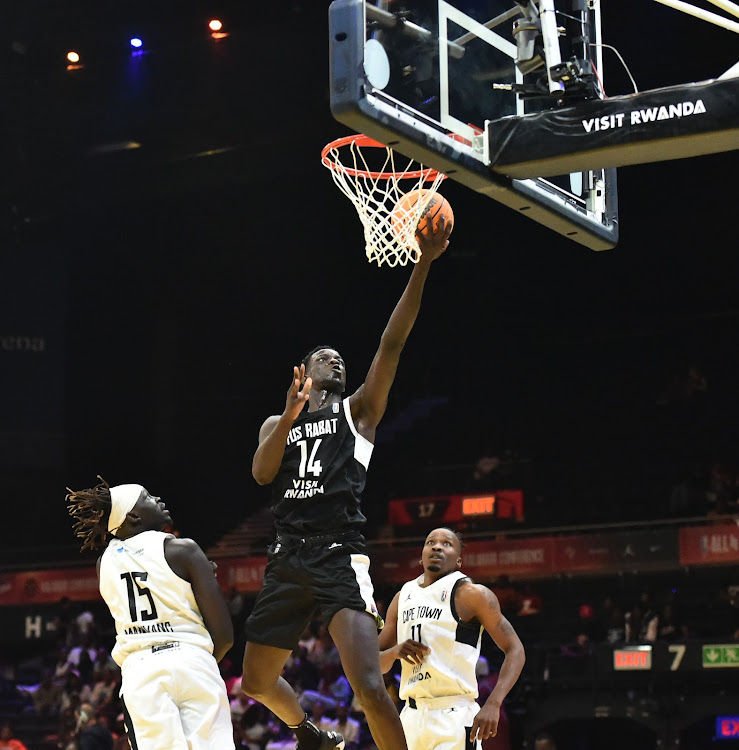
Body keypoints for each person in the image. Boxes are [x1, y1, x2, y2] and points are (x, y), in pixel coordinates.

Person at [241, 217, 452, 750]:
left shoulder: (360, 412)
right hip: (287, 557)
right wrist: (287, 418)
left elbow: (394, 342)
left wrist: (423, 263)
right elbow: (262, 474)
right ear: (305, 375)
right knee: (256, 681)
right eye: (322, 357)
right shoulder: (277, 424)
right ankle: (308, 733)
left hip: (339, 555)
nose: (335, 359)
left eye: (339, 358)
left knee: (370, 687)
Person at [66, 477, 235, 749]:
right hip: (193, 658)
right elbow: (225, 636)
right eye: (147, 497)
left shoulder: (103, 564)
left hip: (141, 669)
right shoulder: (184, 550)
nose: (158, 499)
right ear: (133, 516)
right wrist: (194, 658)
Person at [377, 528, 526, 750]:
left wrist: (494, 703)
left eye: (446, 543)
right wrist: (395, 652)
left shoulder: (473, 595)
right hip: (410, 718)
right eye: (430, 542)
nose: (437, 546)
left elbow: (515, 649)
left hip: (453, 716)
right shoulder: (402, 597)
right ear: (421, 555)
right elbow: (373, 664)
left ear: (458, 560)